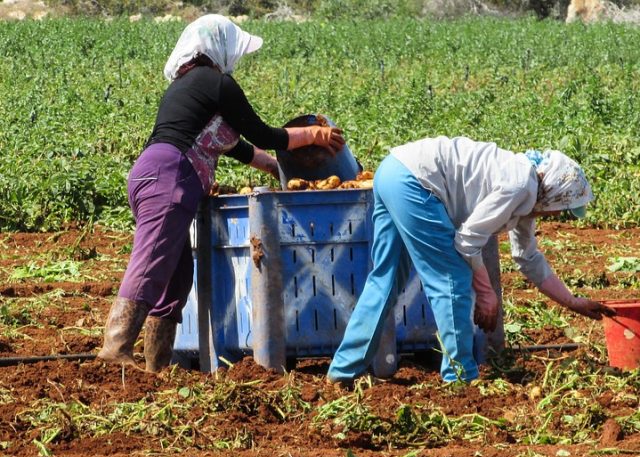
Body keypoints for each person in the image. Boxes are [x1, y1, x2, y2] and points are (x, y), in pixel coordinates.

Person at [98, 14, 345, 372]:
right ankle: (114, 350)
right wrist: (313, 136)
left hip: (154, 175)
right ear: (219, 46)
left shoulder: (190, 87)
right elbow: (264, 135)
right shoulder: (217, 83)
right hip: (170, 177)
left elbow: (237, 146)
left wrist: (276, 168)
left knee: (177, 275)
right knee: (151, 261)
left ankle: (155, 367)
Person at [327, 135, 615, 384]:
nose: (556, 215)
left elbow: (527, 257)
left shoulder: (529, 193)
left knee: (387, 278)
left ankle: (343, 370)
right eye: (562, 207)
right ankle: (460, 376)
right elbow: (467, 241)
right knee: (452, 279)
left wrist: (572, 301)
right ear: (554, 192)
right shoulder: (518, 186)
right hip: (414, 182)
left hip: (393, 171)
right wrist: (486, 292)